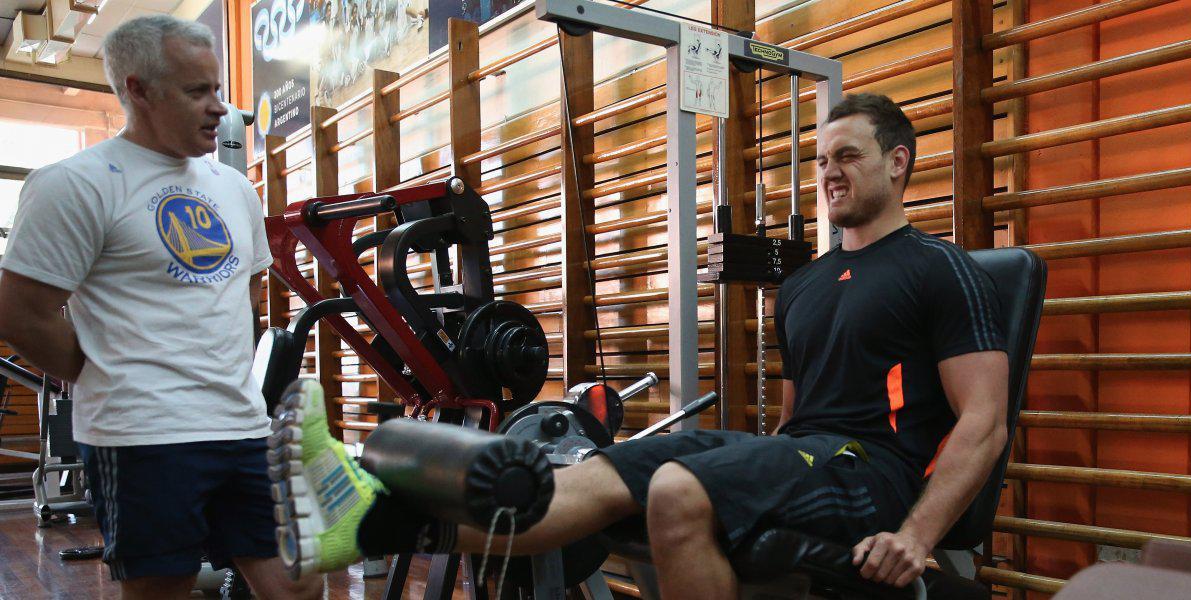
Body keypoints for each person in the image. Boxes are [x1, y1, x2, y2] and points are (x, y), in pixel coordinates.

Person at [269, 93, 1009, 597]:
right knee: (586, 477)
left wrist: (916, 536)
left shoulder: (939, 269)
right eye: (821, 161)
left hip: (872, 471)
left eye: (847, 156)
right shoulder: (805, 286)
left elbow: (984, 422)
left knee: (679, 489)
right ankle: (369, 521)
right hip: (805, 457)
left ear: (898, 163)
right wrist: (759, 475)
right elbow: (793, 421)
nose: (829, 173)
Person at [0, 15, 322, 600]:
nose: (219, 107)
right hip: (141, 434)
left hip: (241, 424)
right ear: (138, 90)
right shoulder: (74, 184)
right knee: (163, 588)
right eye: (197, 91)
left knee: (296, 583)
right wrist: (106, 371)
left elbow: (245, 292)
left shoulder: (234, 188)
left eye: (218, 88)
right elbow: (20, 313)